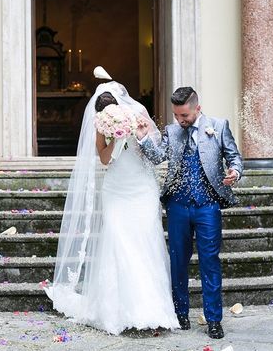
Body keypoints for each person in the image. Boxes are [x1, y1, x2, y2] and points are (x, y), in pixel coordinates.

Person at [46, 80, 178, 335]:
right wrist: (116, 139)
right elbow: (104, 159)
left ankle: (152, 309)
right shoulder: (101, 124)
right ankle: (116, 310)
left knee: (145, 243)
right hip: (116, 190)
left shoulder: (139, 117)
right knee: (117, 242)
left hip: (142, 189)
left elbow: (158, 155)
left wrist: (139, 136)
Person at [137, 87, 243, 339]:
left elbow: (234, 157)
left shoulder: (218, 126)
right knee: (178, 262)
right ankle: (180, 312)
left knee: (210, 262)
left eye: (184, 115)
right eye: (176, 115)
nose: (179, 120)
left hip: (208, 206)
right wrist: (143, 138)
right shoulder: (172, 132)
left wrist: (234, 172)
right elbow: (158, 156)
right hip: (177, 206)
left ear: (197, 108)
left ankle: (214, 320)